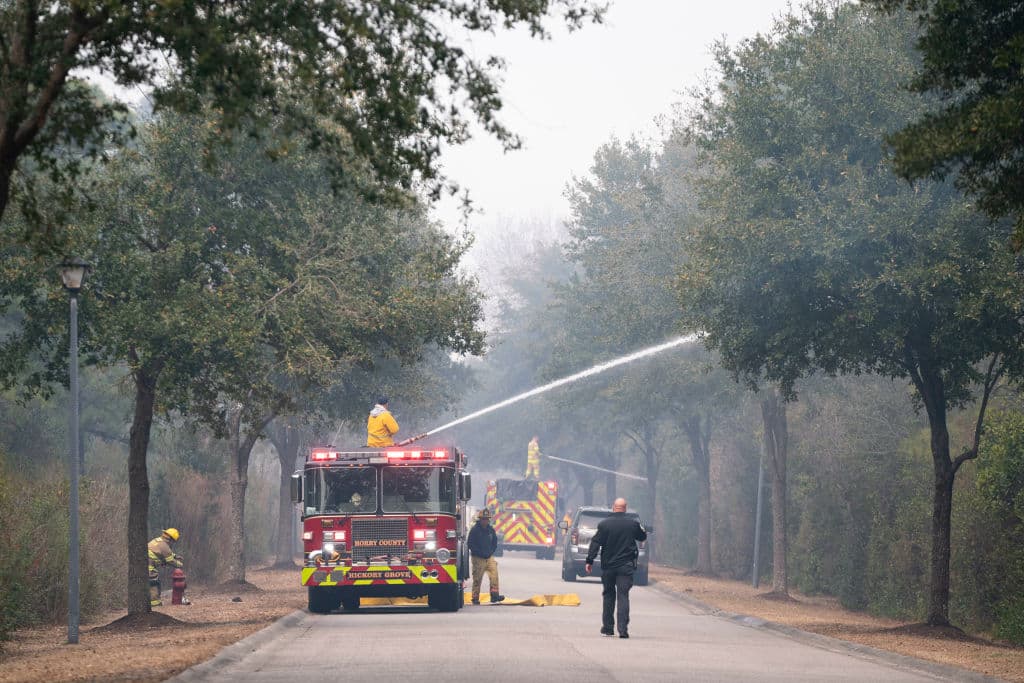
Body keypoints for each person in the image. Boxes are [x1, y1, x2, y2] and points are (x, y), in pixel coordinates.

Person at [585, 498, 647, 638]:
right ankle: (623, 630)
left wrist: (589, 560)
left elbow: (595, 543)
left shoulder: (604, 524)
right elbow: (642, 537)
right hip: (626, 567)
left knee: (608, 595)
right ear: (625, 508)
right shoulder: (633, 524)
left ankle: (607, 628)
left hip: (608, 567)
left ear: (614, 507)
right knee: (623, 596)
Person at [467, 509, 504, 604]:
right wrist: (480, 553)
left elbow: (494, 543)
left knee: (494, 574)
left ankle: (494, 596)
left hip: (489, 557)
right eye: (483, 519)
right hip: (478, 558)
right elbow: (470, 544)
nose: (485, 521)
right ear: (480, 519)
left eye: (487, 519)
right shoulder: (475, 530)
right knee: (477, 578)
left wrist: (490, 552)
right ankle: (475, 598)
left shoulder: (490, 530)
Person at [148, 528, 184, 607]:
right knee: (154, 584)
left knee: (150, 584)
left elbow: (163, 552)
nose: (173, 543)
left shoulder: (159, 541)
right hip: (149, 567)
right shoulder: (164, 546)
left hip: (145, 565)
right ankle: (155, 605)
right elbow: (170, 561)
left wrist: (175, 556)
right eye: (173, 541)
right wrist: (180, 565)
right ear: (170, 539)